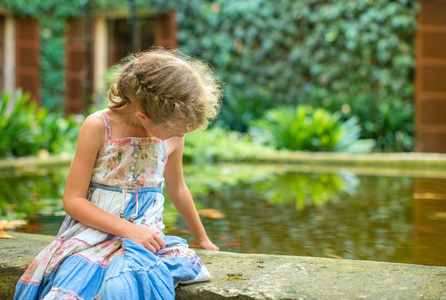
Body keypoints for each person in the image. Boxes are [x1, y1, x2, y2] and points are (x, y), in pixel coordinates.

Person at [14, 47, 223, 300]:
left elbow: (178, 189)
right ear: (143, 116)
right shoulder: (98, 127)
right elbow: (73, 201)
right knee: (91, 284)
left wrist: (203, 238)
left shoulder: (174, 139)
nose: (180, 136)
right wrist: (127, 230)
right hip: (93, 234)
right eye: (175, 131)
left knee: (136, 278)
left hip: (145, 238)